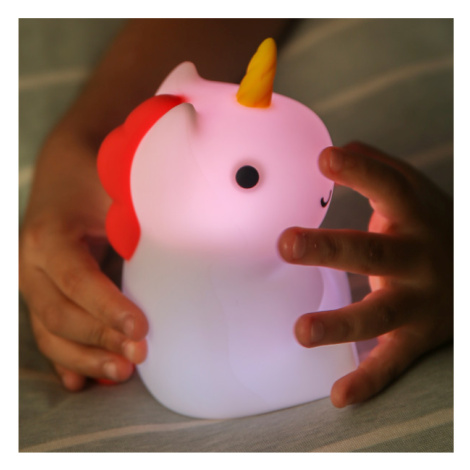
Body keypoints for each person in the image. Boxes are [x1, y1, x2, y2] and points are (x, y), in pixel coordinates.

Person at [18, 19, 453, 408]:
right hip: (203, 387)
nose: (322, 189)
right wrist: (78, 138)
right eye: (248, 176)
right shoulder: (178, 254)